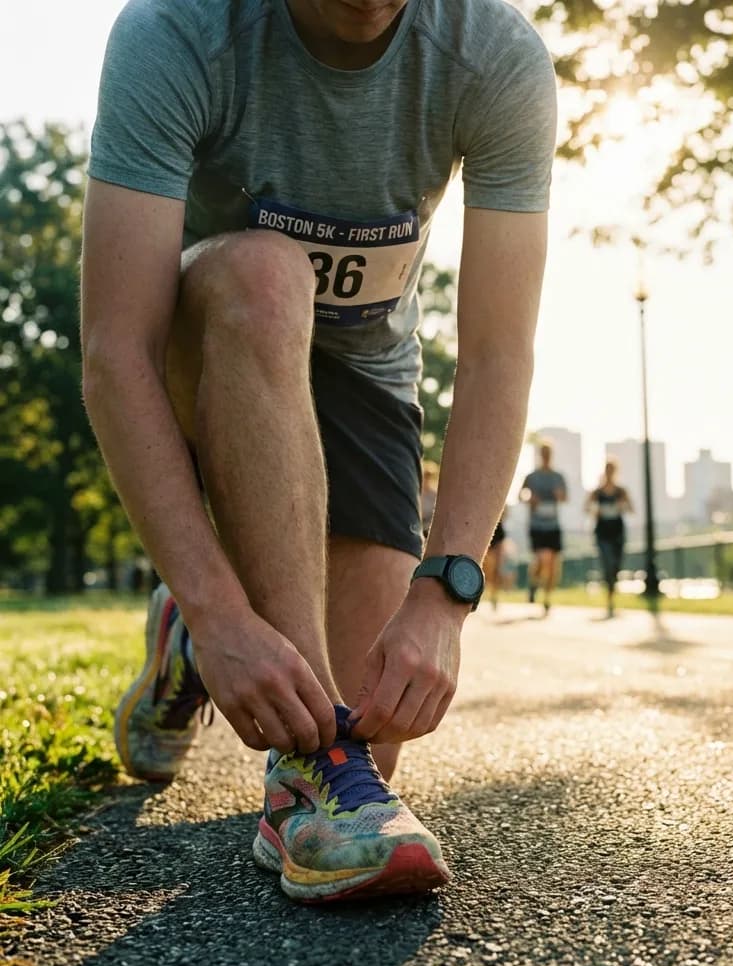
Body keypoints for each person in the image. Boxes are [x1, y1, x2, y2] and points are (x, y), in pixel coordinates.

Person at [81, 0, 555, 903]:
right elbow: (117, 353)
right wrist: (226, 612)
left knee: (365, 717)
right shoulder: (177, 32)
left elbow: (498, 350)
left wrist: (444, 594)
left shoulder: (495, 55)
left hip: (369, 373)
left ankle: (186, 637)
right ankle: (250, 684)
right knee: (266, 274)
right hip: (210, 340)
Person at [519, 441, 566, 614]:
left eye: (548, 453)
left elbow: (565, 498)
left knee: (553, 564)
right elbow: (520, 495)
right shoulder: (532, 476)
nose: (546, 456)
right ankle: (534, 583)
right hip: (537, 525)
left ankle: (547, 598)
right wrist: (530, 499)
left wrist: (560, 496)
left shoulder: (558, 477)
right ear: (540, 454)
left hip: (553, 525)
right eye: (543, 453)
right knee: (541, 560)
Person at [585, 459, 634, 616]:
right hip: (602, 533)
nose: (609, 472)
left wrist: (622, 506)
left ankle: (612, 593)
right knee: (607, 563)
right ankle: (610, 600)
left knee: (616, 566)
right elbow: (586, 508)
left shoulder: (621, 491)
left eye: (612, 469)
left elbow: (632, 509)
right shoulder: (597, 492)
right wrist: (595, 511)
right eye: (607, 469)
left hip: (618, 533)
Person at [483, 511, 507, 611]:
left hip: (497, 528)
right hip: (482, 528)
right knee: (485, 567)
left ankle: (494, 595)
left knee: (497, 568)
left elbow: (505, 513)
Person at [421, 459, 440, 539]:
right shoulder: (418, 493)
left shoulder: (435, 494)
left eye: (429, 476)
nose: (427, 479)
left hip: (429, 527)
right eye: (425, 476)